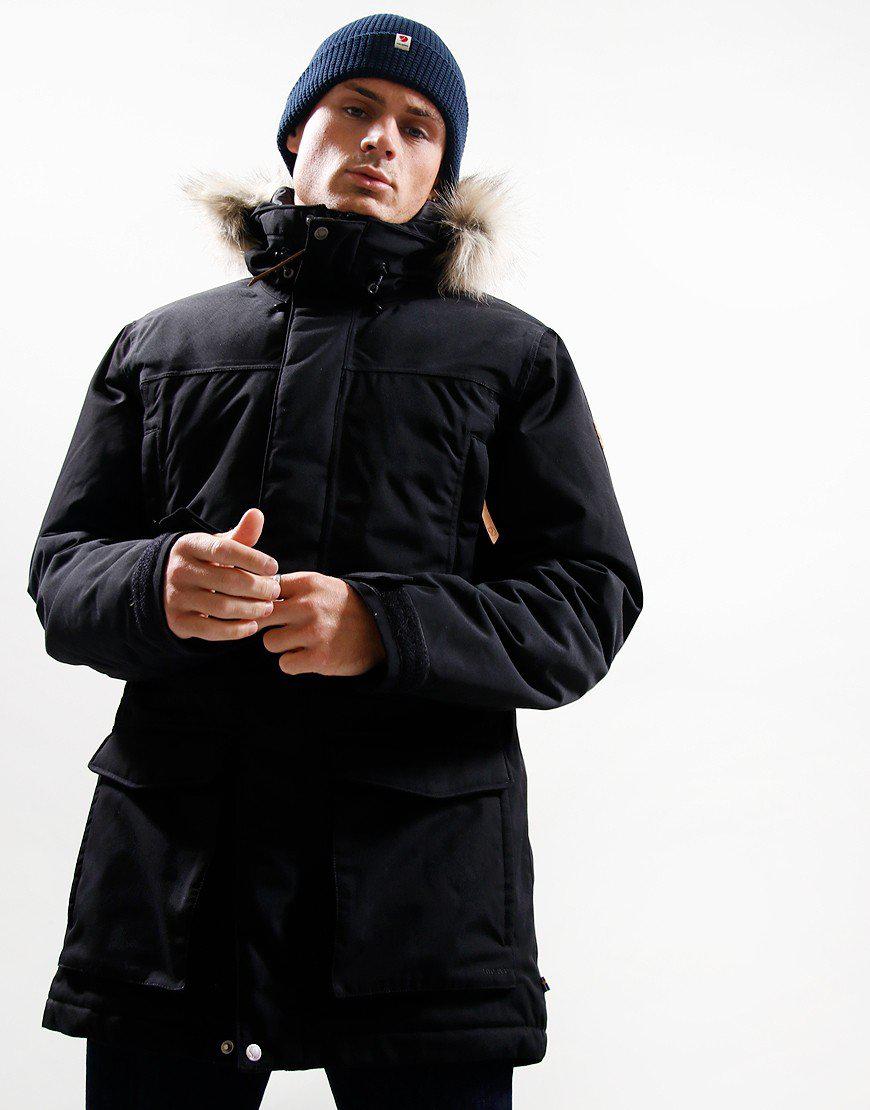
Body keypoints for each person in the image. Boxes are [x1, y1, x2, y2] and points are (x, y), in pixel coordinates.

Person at [27, 12, 643, 1109]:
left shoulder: (510, 357)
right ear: (296, 136)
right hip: (179, 894)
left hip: (418, 906)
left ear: (440, 172)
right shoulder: (161, 347)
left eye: (417, 127)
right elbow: (63, 572)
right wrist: (155, 584)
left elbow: (587, 601)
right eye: (354, 108)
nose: (380, 140)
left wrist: (384, 628)